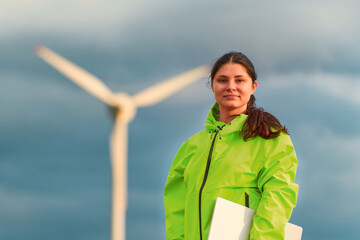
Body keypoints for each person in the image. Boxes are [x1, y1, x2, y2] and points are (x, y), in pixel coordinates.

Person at [164, 52, 299, 240]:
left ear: (253, 86)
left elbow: (279, 197)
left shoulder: (271, 138)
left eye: (239, 80)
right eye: (222, 80)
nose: (230, 87)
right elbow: (175, 209)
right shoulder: (190, 147)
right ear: (212, 86)